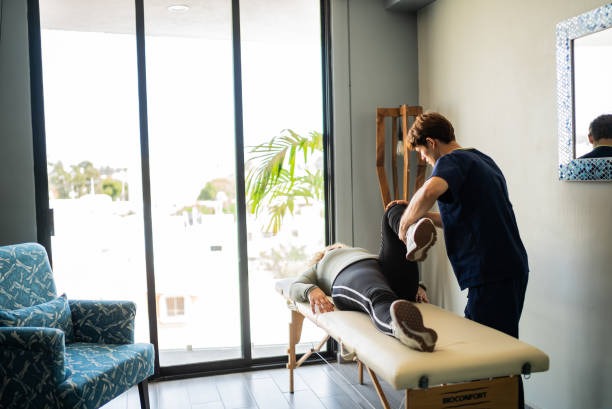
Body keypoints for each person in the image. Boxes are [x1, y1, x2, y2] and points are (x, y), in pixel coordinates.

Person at [397, 112, 529, 408]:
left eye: (422, 153)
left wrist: (405, 224)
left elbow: (430, 190)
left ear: (431, 142)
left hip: (491, 272)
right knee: (501, 350)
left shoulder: (451, 161)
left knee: (489, 356)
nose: (425, 160)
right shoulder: (481, 160)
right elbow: (459, 217)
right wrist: (418, 215)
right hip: (510, 267)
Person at [289, 203, 438, 352]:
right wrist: (310, 291)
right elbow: (294, 286)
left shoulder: (361, 253)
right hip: (350, 274)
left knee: (393, 210)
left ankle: (410, 235)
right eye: (332, 249)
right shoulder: (319, 266)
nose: (338, 247)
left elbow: (393, 264)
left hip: (386, 273)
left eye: (340, 247)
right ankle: (403, 330)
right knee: (378, 294)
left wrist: (418, 286)